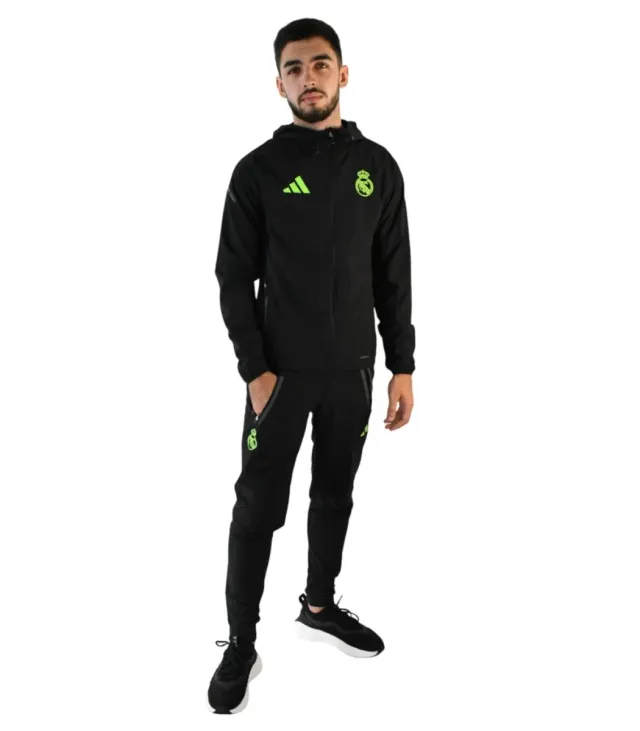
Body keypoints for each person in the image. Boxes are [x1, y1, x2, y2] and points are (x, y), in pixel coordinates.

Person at [207, 17, 416, 714]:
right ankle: (241, 642)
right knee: (257, 509)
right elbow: (232, 278)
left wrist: (402, 364)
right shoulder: (257, 172)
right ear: (279, 84)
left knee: (334, 494)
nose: (308, 78)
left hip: (352, 372)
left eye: (320, 64)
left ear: (343, 74)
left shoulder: (377, 167)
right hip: (280, 378)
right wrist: (255, 372)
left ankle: (319, 604)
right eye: (293, 68)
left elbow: (393, 274)